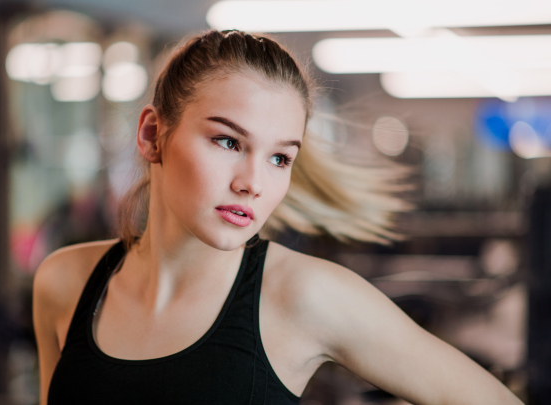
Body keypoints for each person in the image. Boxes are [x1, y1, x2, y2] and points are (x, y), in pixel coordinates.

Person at [33, 29, 523, 404]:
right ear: (151, 134)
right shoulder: (66, 282)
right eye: (228, 142)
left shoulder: (303, 294)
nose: (253, 182)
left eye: (279, 158)